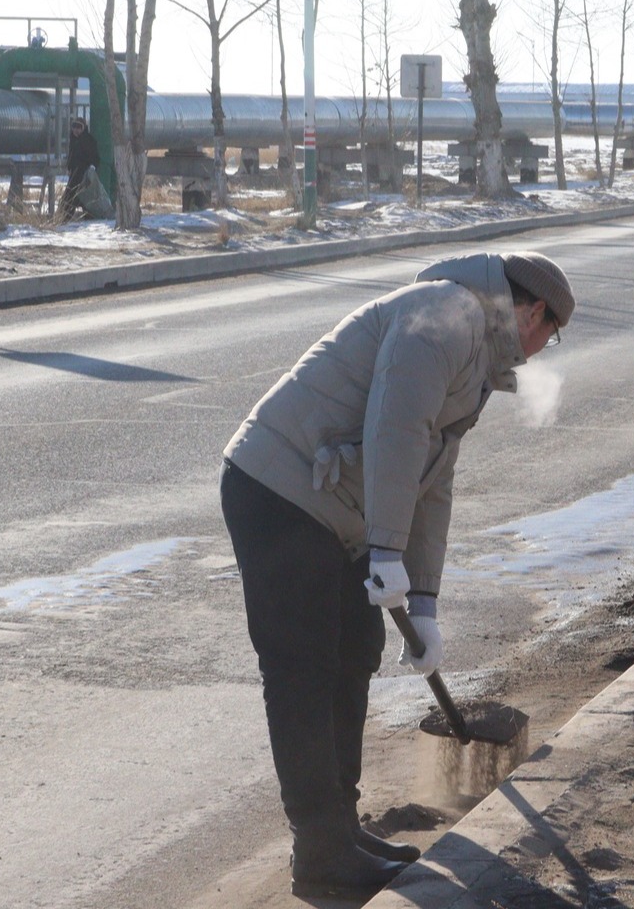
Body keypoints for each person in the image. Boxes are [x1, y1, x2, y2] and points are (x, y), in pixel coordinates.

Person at [219, 251, 574, 898]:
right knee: (302, 670)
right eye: (552, 333)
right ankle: (320, 855)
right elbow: (395, 430)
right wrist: (385, 550)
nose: (544, 350)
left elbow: (432, 484)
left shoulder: (475, 354)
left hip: (338, 508)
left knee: (354, 652)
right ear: (532, 311)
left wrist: (427, 598)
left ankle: (341, 828)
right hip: (280, 487)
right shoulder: (441, 318)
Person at [62, 117, 100, 219]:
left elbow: (95, 158)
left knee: (84, 198)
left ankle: (89, 218)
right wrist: (69, 167)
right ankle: (64, 218)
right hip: (74, 174)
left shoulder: (88, 140)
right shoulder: (73, 140)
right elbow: (71, 156)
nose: (76, 129)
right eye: (74, 126)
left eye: (79, 127)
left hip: (84, 175)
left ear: (83, 128)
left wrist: (92, 168)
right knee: (69, 198)